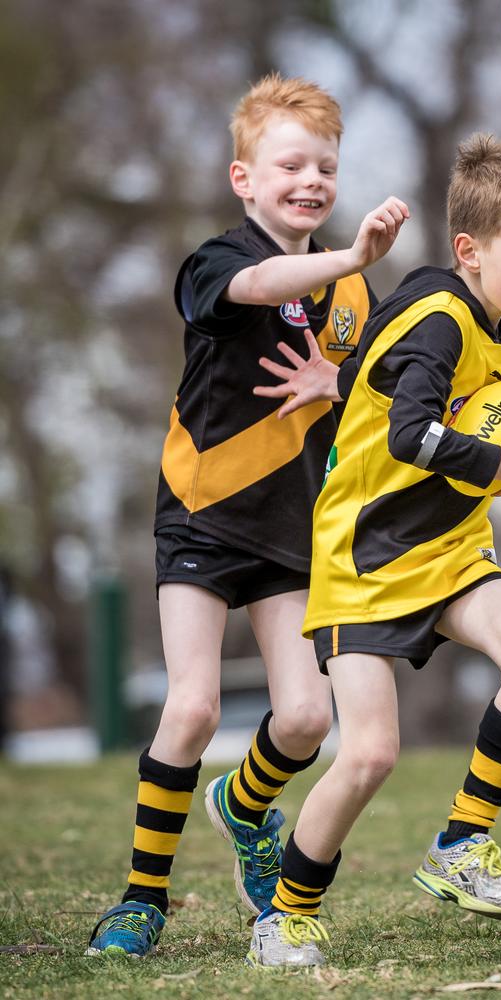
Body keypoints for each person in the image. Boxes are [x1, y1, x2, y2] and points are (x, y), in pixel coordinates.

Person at [245, 133, 501, 967]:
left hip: (447, 549)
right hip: (365, 557)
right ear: (470, 251)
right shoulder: (436, 316)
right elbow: (411, 435)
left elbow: (477, 425)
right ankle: (287, 917)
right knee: (368, 756)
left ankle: (460, 845)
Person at [86, 73, 408, 957]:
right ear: (245, 178)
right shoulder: (219, 261)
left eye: (326, 166)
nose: (310, 180)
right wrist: (348, 256)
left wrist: (337, 381)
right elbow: (265, 285)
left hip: (291, 532)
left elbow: (381, 401)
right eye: (290, 164)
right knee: (190, 708)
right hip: (200, 516)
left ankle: (242, 803)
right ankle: (141, 899)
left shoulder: (351, 300)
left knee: (306, 720)